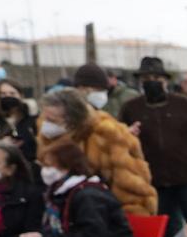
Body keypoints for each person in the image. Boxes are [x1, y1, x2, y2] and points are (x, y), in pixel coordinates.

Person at [120, 56, 187, 237]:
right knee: (166, 231)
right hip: (154, 181)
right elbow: (119, 139)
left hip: (186, 179)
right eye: (146, 80)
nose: (152, 83)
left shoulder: (184, 104)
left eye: (156, 79)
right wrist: (127, 136)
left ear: (165, 81)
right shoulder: (131, 108)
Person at [36, 88, 156, 220]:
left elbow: (131, 188)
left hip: (102, 217)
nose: (45, 124)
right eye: (45, 118)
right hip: (59, 217)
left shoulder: (109, 135)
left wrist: (133, 228)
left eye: (52, 120)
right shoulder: (50, 136)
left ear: (72, 122)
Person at [0, 79, 38, 165]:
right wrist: (0, 144)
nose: (8, 96)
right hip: (1, 165)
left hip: (29, 164)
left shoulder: (31, 116)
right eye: (3, 94)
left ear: (20, 95)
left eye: (12, 93)